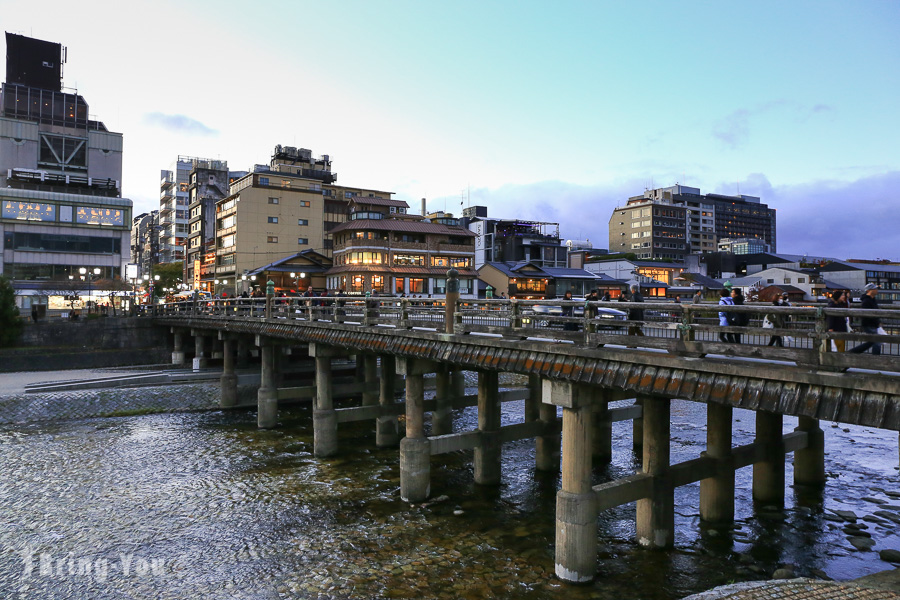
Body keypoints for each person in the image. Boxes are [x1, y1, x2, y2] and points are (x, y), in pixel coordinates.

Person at [849, 283, 882, 355]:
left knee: (873, 341)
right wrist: (876, 321)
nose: (877, 290)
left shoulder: (872, 300)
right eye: (875, 289)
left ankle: (854, 352)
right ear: (870, 290)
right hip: (869, 324)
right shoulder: (866, 301)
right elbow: (867, 314)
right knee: (876, 341)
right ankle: (854, 352)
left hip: (873, 324)